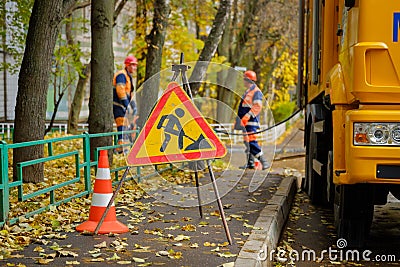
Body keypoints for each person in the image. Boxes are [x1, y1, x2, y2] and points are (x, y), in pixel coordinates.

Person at [235, 70, 270, 170]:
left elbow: (257, 106)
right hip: (245, 122)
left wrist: (247, 116)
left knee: (251, 142)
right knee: (247, 142)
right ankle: (250, 163)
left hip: (250, 122)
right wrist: (238, 120)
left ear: (248, 80)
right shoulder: (248, 91)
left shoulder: (256, 92)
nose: (243, 81)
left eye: (244, 79)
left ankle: (264, 161)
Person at [113, 55, 138, 153]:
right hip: (118, 104)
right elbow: (120, 90)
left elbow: (129, 93)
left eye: (135, 65)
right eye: (132, 65)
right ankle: (121, 148)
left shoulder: (128, 76)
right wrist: (126, 104)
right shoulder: (122, 75)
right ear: (127, 65)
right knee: (121, 124)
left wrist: (133, 105)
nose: (134, 68)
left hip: (123, 105)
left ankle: (123, 147)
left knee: (126, 125)